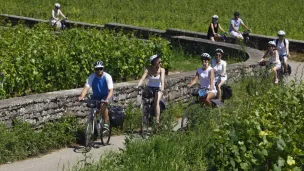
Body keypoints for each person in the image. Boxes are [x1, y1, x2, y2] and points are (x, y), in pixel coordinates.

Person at [78, 61, 114, 130]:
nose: (99, 71)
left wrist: (107, 99)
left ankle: (106, 122)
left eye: (100, 69)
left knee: (103, 105)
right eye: (97, 69)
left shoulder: (107, 76)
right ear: (94, 70)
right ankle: (94, 128)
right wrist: (81, 97)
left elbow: (111, 90)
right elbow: (86, 88)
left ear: (103, 69)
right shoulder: (92, 77)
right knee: (93, 111)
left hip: (106, 95)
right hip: (96, 96)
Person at [137, 54, 165, 126]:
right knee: (145, 100)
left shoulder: (162, 70)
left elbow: (162, 80)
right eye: (158, 61)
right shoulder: (148, 69)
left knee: (156, 102)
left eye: (160, 61)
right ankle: (146, 116)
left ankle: (157, 121)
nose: (160, 62)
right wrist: (138, 85)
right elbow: (143, 78)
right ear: (154, 62)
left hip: (158, 88)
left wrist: (162, 88)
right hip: (149, 87)